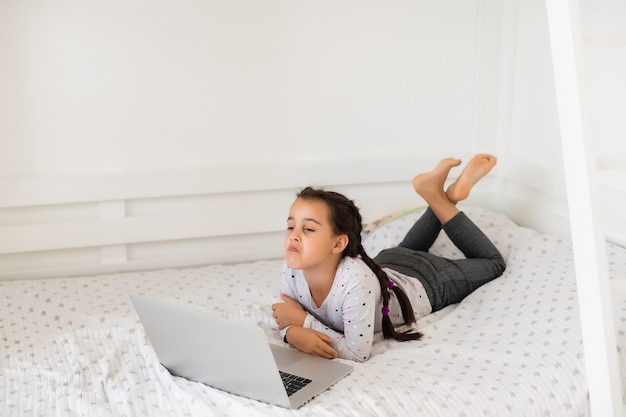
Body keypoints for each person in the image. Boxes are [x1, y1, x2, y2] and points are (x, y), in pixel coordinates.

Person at [271, 154, 505, 362]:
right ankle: (440, 197)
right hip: (388, 265)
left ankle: (441, 197)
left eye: (308, 229)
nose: (294, 237)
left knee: (493, 264)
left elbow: (357, 353)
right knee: (407, 249)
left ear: (338, 243)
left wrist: (303, 324)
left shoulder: (355, 280)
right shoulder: (293, 267)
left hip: (427, 282)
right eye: (291, 227)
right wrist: (292, 332)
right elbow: (286, 317)